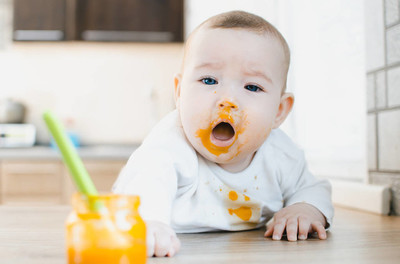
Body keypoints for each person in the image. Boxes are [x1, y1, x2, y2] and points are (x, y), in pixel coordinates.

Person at [113, 10, 334, 257]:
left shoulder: (281, 155)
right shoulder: (170, 145)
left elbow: (313, 188)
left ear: (279, 112)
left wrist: (305, 208)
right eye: (209, 81)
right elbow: (148, 180)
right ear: (179, 93)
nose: (227, 101)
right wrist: (149, 222)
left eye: (252, 86)